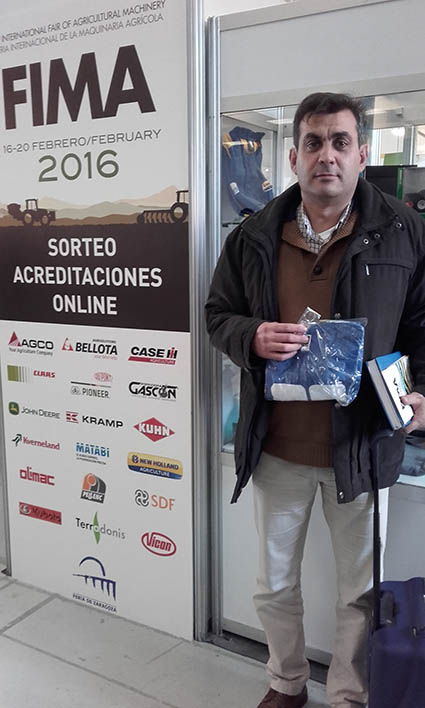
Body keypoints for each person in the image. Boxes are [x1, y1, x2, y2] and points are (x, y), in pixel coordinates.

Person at [205, 92, 425, 708]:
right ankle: (287, 683)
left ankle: (349, 696)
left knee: (360, 591)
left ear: (361, 154)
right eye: (313, 142)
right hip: (276, 446)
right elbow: (217, 314)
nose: (326, 154)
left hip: (363, 445)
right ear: (295, 156)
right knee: (274, 584)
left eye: (340, 142)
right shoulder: (253, 235)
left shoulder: (404, 232)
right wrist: (252, 336)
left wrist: (421, 392)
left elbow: (422, 327)